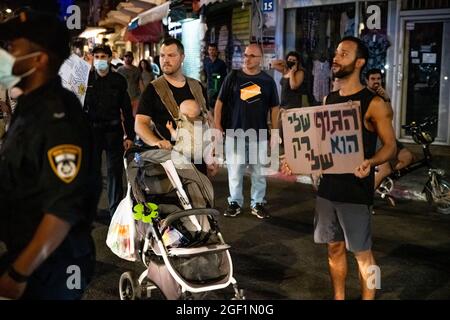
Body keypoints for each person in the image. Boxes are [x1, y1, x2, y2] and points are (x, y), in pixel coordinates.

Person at [282, 36, 396, 300]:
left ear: (359, 62)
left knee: (364, 254)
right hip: (327, 190)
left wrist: (372, 162)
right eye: (336, 53)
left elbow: (389, 146)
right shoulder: (328, 99)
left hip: (356, 190)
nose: (335, 57)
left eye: (344, 54)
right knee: (333, 249)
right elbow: (319, 143)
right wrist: (296, 160)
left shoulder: (374, 103)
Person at [0, 8, 101, 299]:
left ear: (39, 59)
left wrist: (19, 273)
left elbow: (62, 210)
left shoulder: (59, 117)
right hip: (26, 255)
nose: (4, 56)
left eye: (12, 49)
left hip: (51, 267)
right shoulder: (29, 108)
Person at [214, 43, 280, 219]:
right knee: (235, 171)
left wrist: (275, 132)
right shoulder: (233, 77)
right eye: (245, 55)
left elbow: (274, 108)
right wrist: (217, 124)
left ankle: (257, 203)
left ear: (260, 59)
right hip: (235, 133)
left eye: (252, 56)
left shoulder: (268, 81)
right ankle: (234, 202)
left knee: (259, 172)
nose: (247, 58)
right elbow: (219, 103)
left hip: (259, 134)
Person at [135, 38, 216, 176]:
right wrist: (157, 142)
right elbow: (140, 124)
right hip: (167, 165)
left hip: (197, 163)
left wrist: (211, 154)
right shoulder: (152, 89)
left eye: (171, 55)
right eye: (162, 55)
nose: (165, 60)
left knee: (198, 198)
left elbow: (207, 121)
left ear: (182, 57)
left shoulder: (197, 87)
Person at [84, 44, 135, 216]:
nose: (99, 60)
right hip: (92, 132)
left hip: (113, 132)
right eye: (96, 57)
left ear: (110, 58)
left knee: (115, 172)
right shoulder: (86, 80)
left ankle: (115, 213)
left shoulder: (119, 80)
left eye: (103, 57)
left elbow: (126, 110)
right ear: (92, 58)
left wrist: (130, 135)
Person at [365, 68, 415, 189]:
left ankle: (382, 180)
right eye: (373, 79)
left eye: (378, 79)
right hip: (374, 138)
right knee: (385, 170)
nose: (376, 81)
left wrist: (387, 99)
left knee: (407, 157)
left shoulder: (381, 95)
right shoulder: (365, 96)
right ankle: (366, 200)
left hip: (386, 136)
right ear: (366, 81)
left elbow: (390, 116)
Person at [166, 99, 213, 165]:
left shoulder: (184, 125)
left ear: (184, 115)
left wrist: (170, 129)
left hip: (187, 153)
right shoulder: (204, 121)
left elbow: (176, 136)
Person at [203, 43, 228, 110]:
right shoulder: (206, 61)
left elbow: (224, 77)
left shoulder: (221, 63)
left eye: (213, 50)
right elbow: (205, 73)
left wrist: (217, 77)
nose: (211, 51)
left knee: (219, 106)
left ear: (216, 51)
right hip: (209, 88)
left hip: (219, 88)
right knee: (209, 106)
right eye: (210, 50)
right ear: (208, 51)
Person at [117, 51, 141, 116]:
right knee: (124, 116)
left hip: (135, 97)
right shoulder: (120, 70)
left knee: (134, 116)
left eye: (129, 57)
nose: (127, 58)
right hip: (122, 97)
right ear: (123, 58)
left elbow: (140, 83)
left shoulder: (137, 70)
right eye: (126, 57)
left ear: (132, 58)